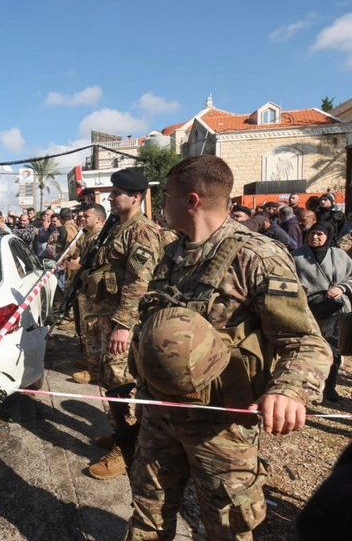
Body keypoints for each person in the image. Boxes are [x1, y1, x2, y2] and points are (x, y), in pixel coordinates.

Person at [125, 155, 332, 540]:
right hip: (160, 414)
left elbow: (306, 341)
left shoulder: (256, 257)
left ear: (191, 200)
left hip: (221, 427)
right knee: (147, 518)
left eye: (166, 196)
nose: (161, 206)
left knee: (227, 529)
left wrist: (288, 391)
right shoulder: (171, 255)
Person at [74, 168, 162, 480]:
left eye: (116, 193)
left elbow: (140, 282)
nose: (110, 198)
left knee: (121, 383)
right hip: (102, 321)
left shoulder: (141, 231)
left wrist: (124, 325)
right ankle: (118, 436)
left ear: (135, 197)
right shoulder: (117, 227)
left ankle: (128, 451)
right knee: (108, 381)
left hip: (120, 324)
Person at [293, 223, 352, 403]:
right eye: (312, 233)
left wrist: (341, 288)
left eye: (320, 234)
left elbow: (351, 275)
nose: (315, 237)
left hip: (337, 310)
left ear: (328, 236)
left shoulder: (340, 255)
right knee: (308, 350)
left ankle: (330, 388)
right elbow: (289, 278)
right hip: (310, 310)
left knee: (334, 352)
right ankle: (306, 388)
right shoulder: (296, 256)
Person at [69, 204, 106, 379]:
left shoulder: (101, 237)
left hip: (94, 291)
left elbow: (97, 265)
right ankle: (92, 360)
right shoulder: (89, 237)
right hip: (86, 289)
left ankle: (95, 371)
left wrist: (78, 266)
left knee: (93, 328)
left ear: (98, 218)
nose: (82, 218)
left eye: (86, 216)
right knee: (88, 327)